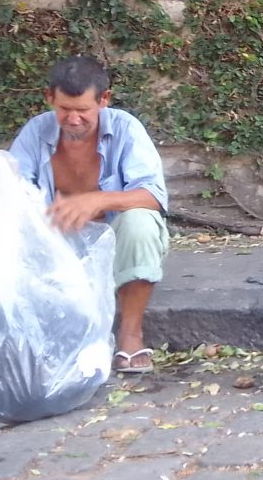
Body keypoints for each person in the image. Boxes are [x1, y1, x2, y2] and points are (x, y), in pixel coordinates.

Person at [9, 55, 169, 374]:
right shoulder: (34, 134)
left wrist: (95, 200)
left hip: (115, 250)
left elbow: (153, 196)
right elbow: (12, 197)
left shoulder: (126, 129)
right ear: (49, 98)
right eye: (65, 109)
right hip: (56, 252)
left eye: (83, 110)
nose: (73, 119)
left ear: (104, 100)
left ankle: (130, 335)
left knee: (141, 221)